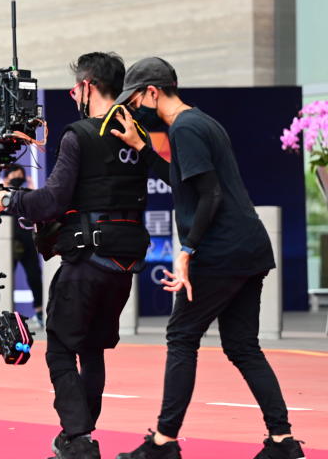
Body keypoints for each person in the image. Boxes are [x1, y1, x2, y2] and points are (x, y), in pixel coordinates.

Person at [110, 57, 305, 459]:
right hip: (248, 248)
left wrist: (186, 251)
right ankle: (283, 442)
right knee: (242, 346)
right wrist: (143, 147)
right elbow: (185, 186)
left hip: (222, 251)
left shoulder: (185, 128)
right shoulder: (200, 122)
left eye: (136, 99)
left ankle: (164, 442)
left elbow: (211, 196)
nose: (135, 108)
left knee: (181, 337)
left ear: (153, 91)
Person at [0, 52, 152, 459]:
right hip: (123, 265)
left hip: (87, 261)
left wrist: (8, 199)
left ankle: (76, 439)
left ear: (88, 86)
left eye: (77, 86)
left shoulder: (79, 134)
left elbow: (52, 200)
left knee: (59, 345)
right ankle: (82, 435)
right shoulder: (136, 135)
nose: (74, 93)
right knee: (92, 348)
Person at [1, 164, 44, 328]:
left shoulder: (28, 196)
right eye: (14, 175)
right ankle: (2, 315)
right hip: (8, 244)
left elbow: (39, 213)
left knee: (34, 277)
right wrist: (4, 193)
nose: (17, 177)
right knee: (3, 279)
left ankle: (40, 313)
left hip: (28, 242)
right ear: (6, 178)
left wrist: (34, 194)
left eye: (20, 175)